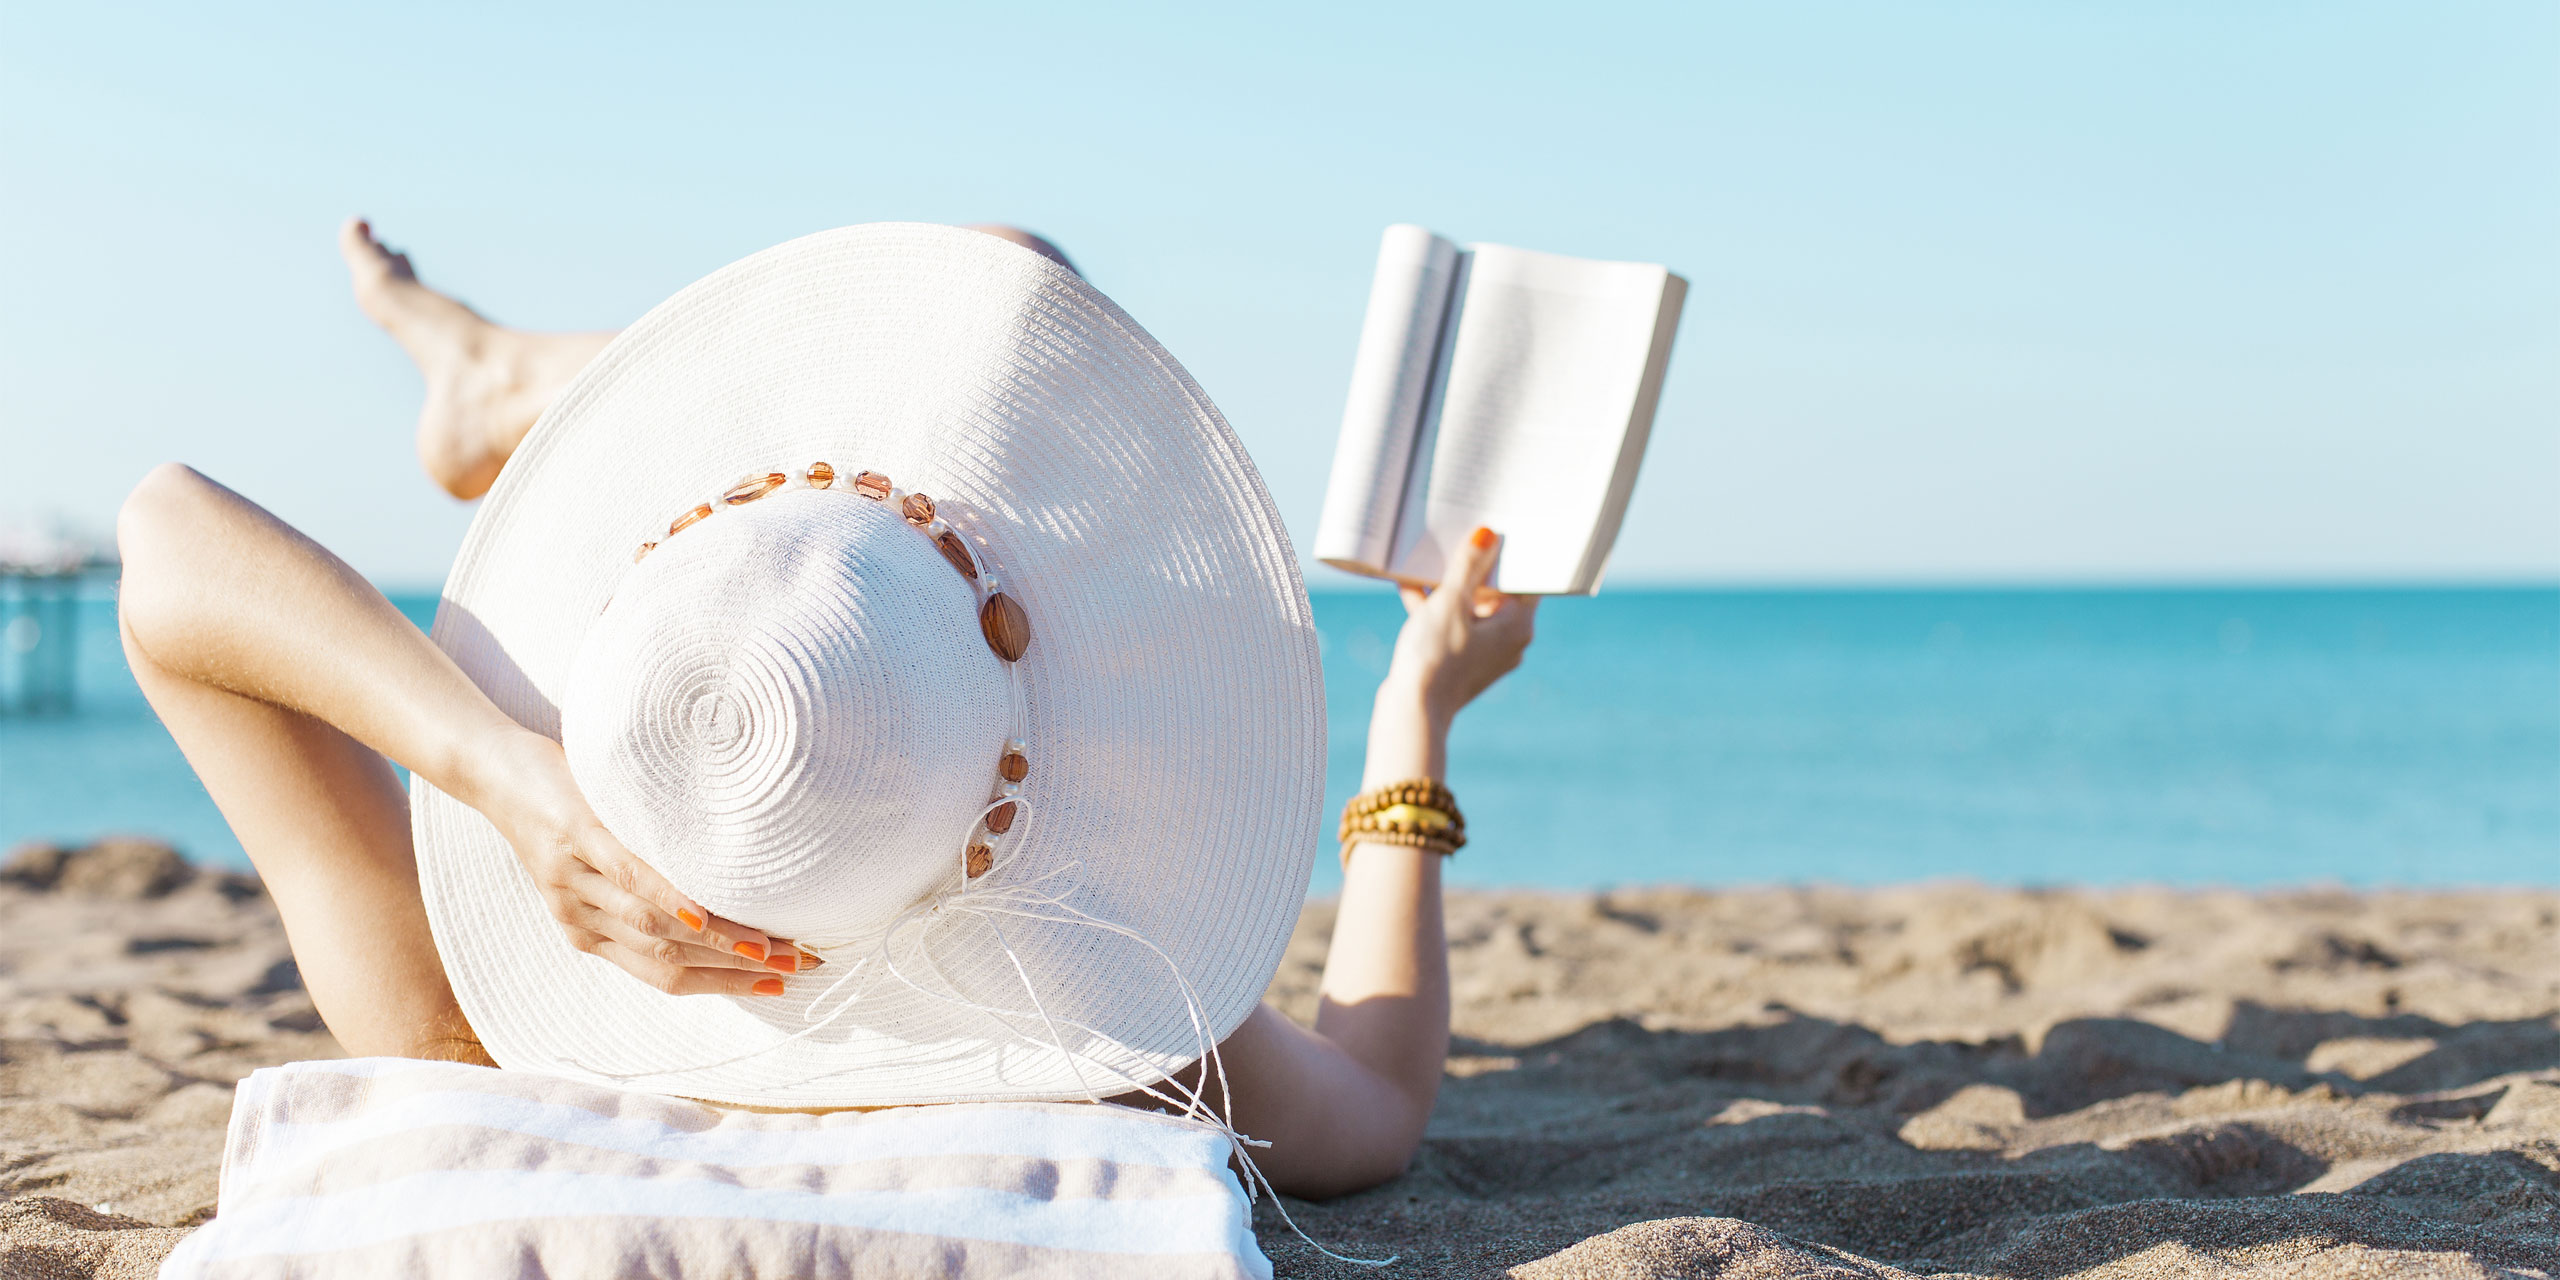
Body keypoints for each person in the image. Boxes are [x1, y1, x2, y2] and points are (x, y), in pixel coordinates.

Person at [112, 220, 1536, 1201]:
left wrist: (505, 777)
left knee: (997, 278)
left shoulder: (464, 1034)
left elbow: (167, 537)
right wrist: (1418, 704)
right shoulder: (1103, 1048)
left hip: (568, 827)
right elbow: (1380, 1096)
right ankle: (520, 386)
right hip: (894, 891)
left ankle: (511, 386)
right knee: (1009, 273)